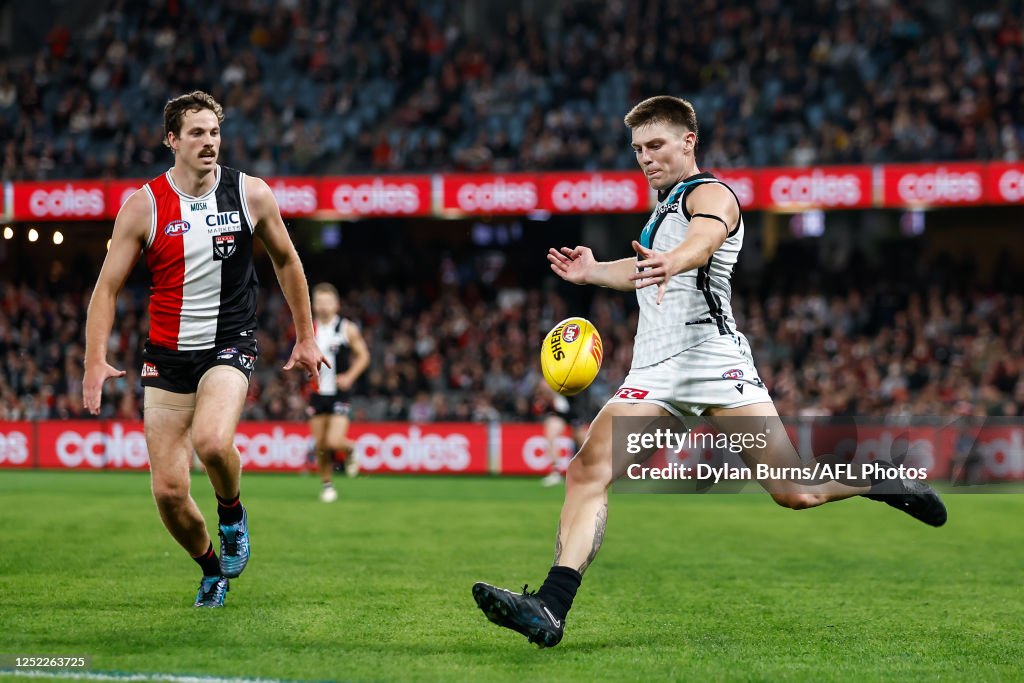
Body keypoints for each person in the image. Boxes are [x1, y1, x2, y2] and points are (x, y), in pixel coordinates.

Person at [472, 95, 947, 647]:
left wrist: (676, 258)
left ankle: (878, 477)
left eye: (655, 146)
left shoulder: (711, 193)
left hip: (712, 360)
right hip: (655, 368)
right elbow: (647, 267)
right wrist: (596, 271)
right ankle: (550, 608)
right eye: (637, 150)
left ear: (687, 142)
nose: (645, 158)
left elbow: (707, 236)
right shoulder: (662, 210)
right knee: (586, 471)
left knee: (793, 492)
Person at [83, 91, 325, 608]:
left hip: (228, 344)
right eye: (196, 133)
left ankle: (233, 514)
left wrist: (306, 336)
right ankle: (211, 570)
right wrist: (92, 361)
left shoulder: (250, 194)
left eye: (214, 132)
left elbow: (287, 261)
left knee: (213, 442)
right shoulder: (143, 205)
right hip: (167, 358)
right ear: (172, 140)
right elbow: (105, 288)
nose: (208, 142)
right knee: (168, 493)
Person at [308, 282, 370, 502]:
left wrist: (350, 376)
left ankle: (350, 449)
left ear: (336, 305)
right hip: (316, 392)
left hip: (339, 393)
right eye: (319, 302)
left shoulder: (346, 328)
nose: (323, 307)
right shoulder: (308, 328)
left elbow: (364, 356)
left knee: (334, 441)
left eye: (327, 302)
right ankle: (327, 485)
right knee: (321, 446)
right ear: (313, 305)